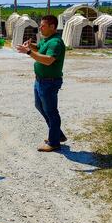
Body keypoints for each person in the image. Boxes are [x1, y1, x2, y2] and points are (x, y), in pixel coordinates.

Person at [16, 15, 67, 152]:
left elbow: (49, 60)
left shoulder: (55, 42)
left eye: (43, 26)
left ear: (52, 27)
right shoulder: (47, 40)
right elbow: (39, 48)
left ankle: (54, 142)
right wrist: (31, 46)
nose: (40, 28)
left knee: (51, 112)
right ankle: (57, 134)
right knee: (40, 106)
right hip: (40, 81)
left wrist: (28, 52)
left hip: (49, 82)